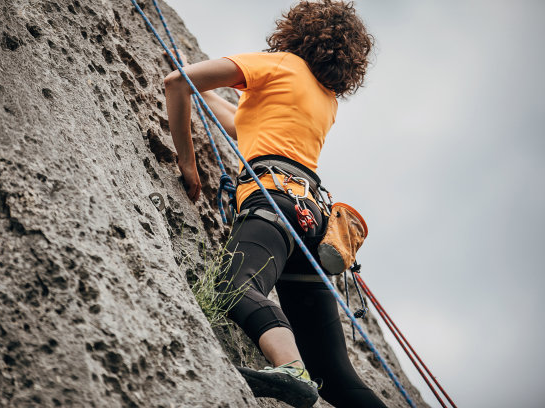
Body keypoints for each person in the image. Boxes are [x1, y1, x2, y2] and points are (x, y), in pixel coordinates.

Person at [164, 1, 386, 407]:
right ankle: (306, 371)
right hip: (312, 219)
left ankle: (291, 369)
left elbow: (176, 83)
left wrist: (186, 161)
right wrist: (203, 94)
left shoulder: (280, 64)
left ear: (297, 31)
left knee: (234, 285)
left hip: (274, 201)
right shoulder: (326, 99)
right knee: (336, 375)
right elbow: (243, 124)